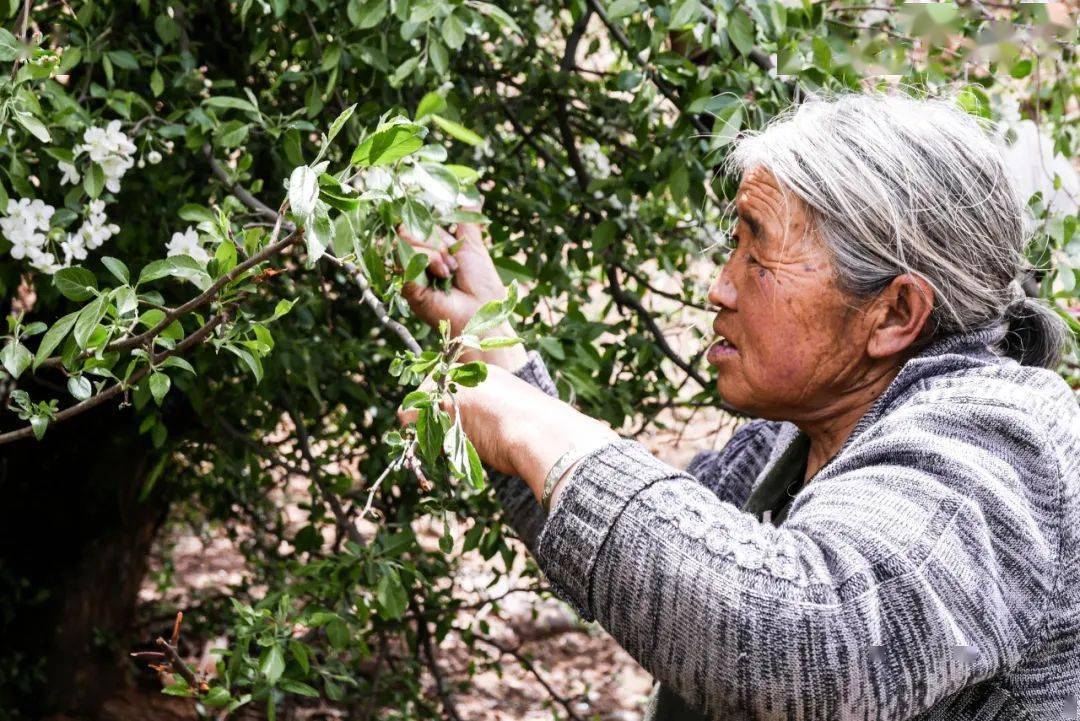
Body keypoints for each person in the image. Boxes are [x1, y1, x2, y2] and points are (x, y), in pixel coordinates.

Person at [398, 93, 1079, 720]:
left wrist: (540, 427)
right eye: (736, 243)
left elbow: (806, 650)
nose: (720, 288)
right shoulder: (794, 437)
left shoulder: (1002, 446)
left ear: (895, 313)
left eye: (760, 253)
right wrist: (489, 343)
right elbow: (666, 579)